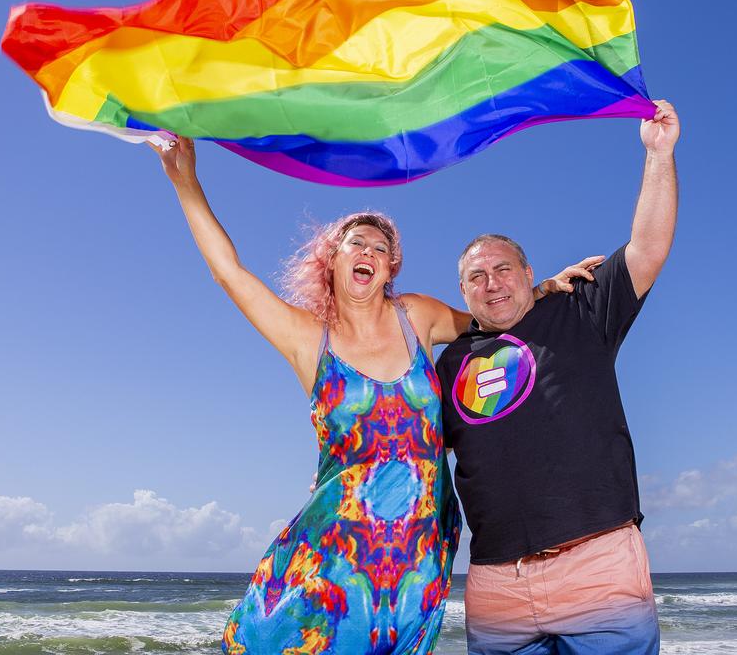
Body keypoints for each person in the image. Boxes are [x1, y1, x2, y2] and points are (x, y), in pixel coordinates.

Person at [148, 137, 600, 654]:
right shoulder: (306, 339)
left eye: (380, 249)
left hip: (421, 548)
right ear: (332, 261)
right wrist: (185, 181)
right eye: (357, 244)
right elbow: (230, 273)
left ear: (390, 270)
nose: (369, 252)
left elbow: (492, 319)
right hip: (335, 549)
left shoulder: (416, 316)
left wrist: (539, 290)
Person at [434, 100, 680, 654]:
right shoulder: (452, 364)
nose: (492, 283)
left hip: (596, 567)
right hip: (497, 584)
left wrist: (658, 154)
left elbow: (648, 249)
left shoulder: (579, 311)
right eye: (477, 276)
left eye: (503, 269)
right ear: (464, 292)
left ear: (528, 273)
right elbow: (412, 449)